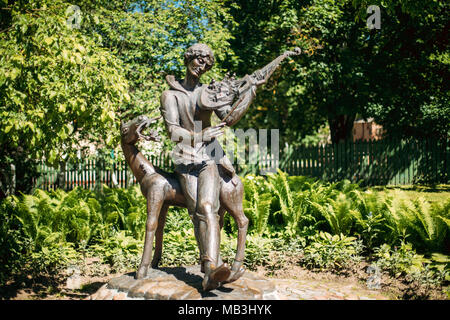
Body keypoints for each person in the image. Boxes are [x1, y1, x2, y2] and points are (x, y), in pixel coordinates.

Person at [160, 43, 235, 290]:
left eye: (206, 63)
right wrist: (200, 136)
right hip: (185, 159)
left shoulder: (208, 93)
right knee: (197, 213)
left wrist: (250, 92)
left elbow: (230, 117)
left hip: (208, 158)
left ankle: (212, 268)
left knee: (208, 207)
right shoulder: (170, 94)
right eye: (197, 60)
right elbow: (173, 131)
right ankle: (211, 266)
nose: (200, 66)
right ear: (188, 59)